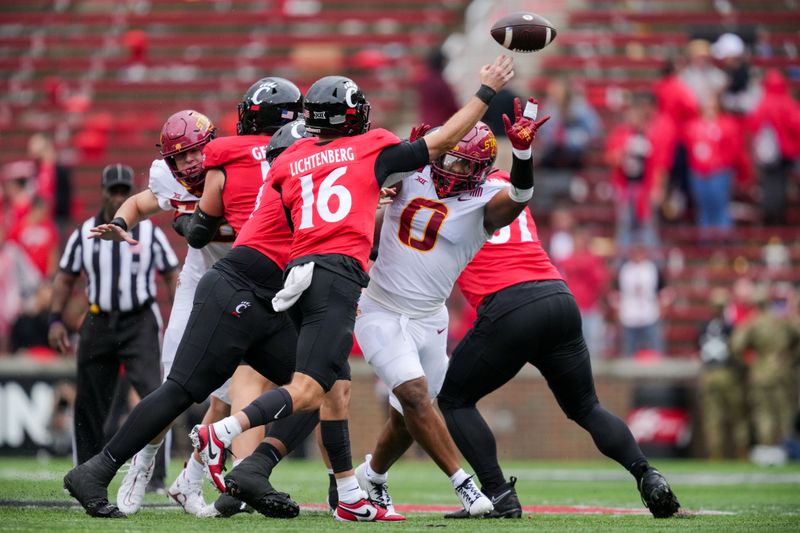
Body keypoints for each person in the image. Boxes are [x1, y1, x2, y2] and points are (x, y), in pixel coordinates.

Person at [191, 56, 515, 522]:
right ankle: (222, 432)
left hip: (294, 270)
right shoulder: (371, 147)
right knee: (308, 389)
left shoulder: (294, 159)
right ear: (349, 116)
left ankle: (348, 494)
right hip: (337, 275)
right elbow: (442, 140)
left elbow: (271, 226)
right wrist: (484, 91)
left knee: (335, 388)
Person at [62, 92, 305, 518]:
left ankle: (189, 480)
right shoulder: (170, 177)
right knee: (175, 382)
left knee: (226, 393)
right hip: (206, 280)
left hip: (251, 284)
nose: (189, 163)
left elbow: (229, 227)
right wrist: (121, 222)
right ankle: (142, 464)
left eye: (195, 152)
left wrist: (198, 223)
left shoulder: (239, 167)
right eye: (180, 156)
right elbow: (141, 203)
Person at [350, 97, 549, 518]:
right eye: (451, 160)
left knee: (408, 416)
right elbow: (362, 192)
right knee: (415, 395)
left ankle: (374, 475)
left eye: (464, 166)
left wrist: (524, 154)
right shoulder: (413, 170)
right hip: (381, 306)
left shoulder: (485, 200)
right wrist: (378, 195)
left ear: (478, 172)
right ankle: (468, 489)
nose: (452, 170)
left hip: (431, 317)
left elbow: (521, 194)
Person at [434, 201, 681, 519]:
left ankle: (498, 493)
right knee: (587, 408)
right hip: (558, 297)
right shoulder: (503, 186)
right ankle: (647, 474)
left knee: (455, 400)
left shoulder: (447, 199)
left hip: (509, 305)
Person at [48, 164, 179, 479]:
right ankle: (86, 474)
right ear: (103, 192)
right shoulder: (84, 234)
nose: (119, 195)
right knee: (89, 403)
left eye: (124, 191)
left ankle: (156, 475)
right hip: (99, 320)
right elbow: (65, 279)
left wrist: (177, 317)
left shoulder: (148, 232)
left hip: (140, 321)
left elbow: (172, 274)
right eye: (114, 190)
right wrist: (55, 318)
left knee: (155, 396)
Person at [697, 289, 748, 459]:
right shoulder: (730, 327)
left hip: (708, 374)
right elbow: (736, 351)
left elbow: (698, 348)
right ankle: (742, 453)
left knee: (713, 418)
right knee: (738, 415)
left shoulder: (703, 327)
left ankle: (715, 455)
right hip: (726, 373)